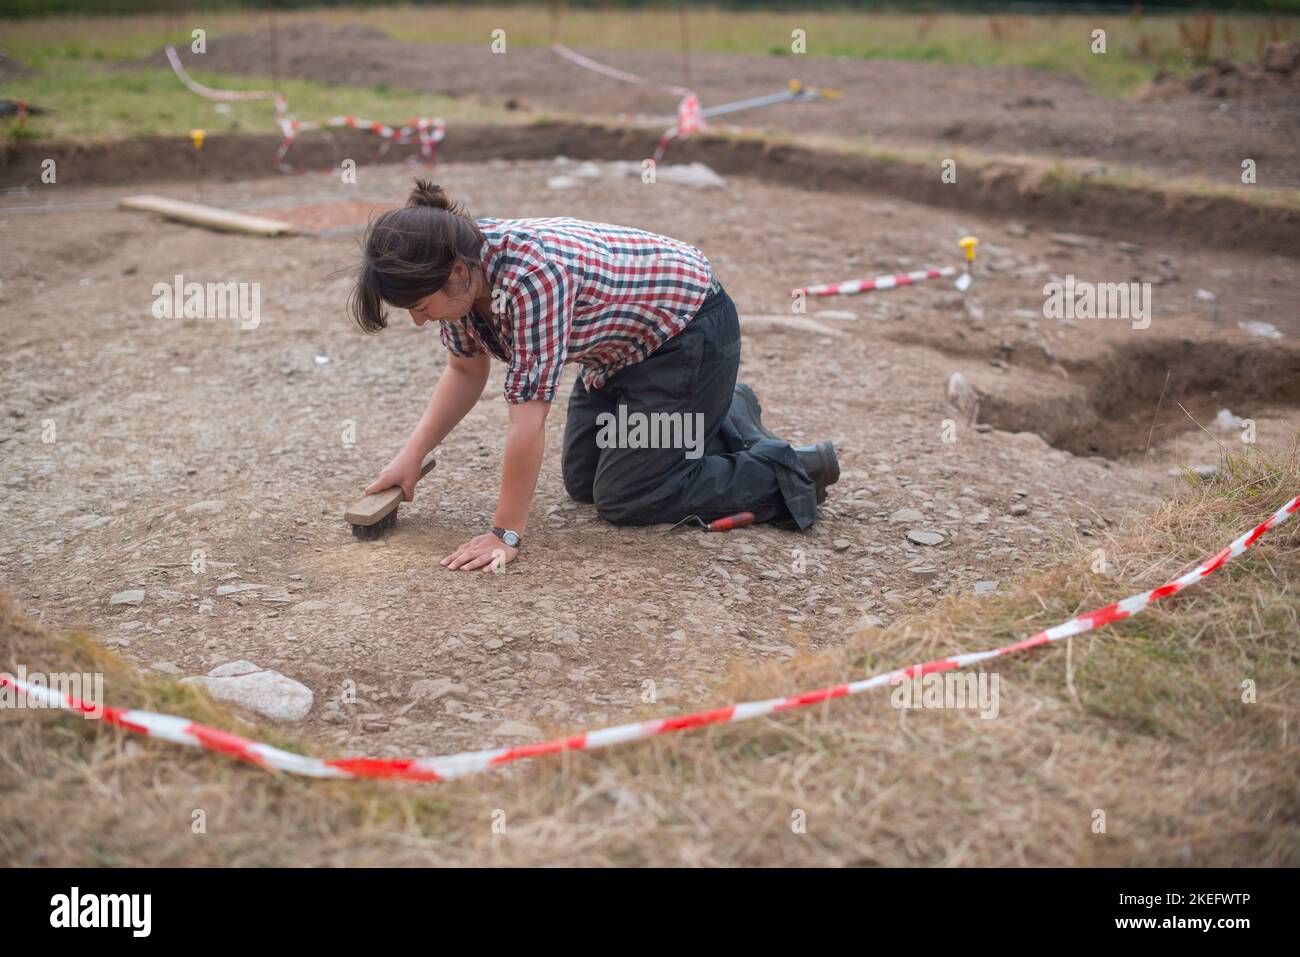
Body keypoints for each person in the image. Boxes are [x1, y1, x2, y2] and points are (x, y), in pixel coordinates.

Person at [349, 179, 839, 571]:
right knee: (584, 482)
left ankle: (789, 466)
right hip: (617, 353)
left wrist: (504, 533)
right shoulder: (461, 275)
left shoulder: (530, 278)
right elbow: (464, 368)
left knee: (630, 496)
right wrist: (411, 456)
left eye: (420, 305)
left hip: (686, 334)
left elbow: (527, 420)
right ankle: (726, 407)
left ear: (457, 272)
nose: (419, 319)